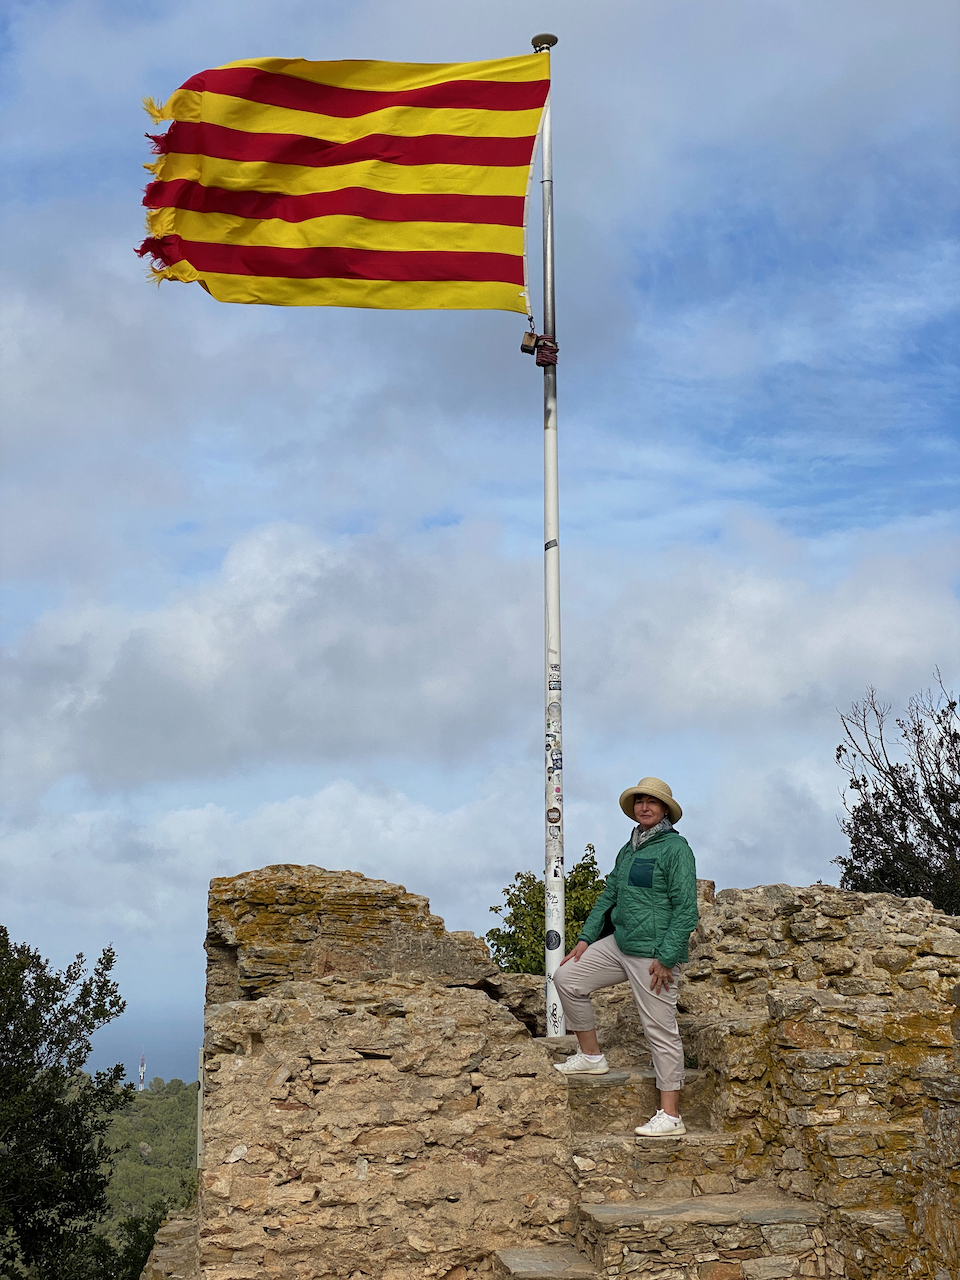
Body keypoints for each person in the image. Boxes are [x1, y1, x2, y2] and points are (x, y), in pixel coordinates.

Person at [552, 776, 698, 1137]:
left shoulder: (675, 849)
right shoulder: (629, 847)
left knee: (660, 1030)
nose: (644, 806)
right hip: (620, 943)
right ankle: (591, 1057)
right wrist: (586, 938)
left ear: (665, 809)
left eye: (652, 801)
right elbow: (608, 895)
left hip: (653, 956)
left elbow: (686, 910)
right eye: (639, 801)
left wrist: (666, 957)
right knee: (567, 977)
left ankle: (671, 1117)